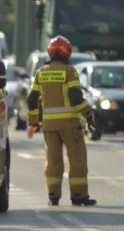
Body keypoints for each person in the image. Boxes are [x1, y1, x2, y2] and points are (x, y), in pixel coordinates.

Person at [27, 35, 97, 206]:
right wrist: (89, 116)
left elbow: (31, 99)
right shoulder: (69, 71)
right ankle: (79, 195)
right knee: (77, 160)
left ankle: (53, 195)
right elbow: (76, 97)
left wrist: (33, 122)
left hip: (49, 126)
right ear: (67, 52)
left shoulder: (41, 72)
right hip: (70, 125)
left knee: (53, 162)